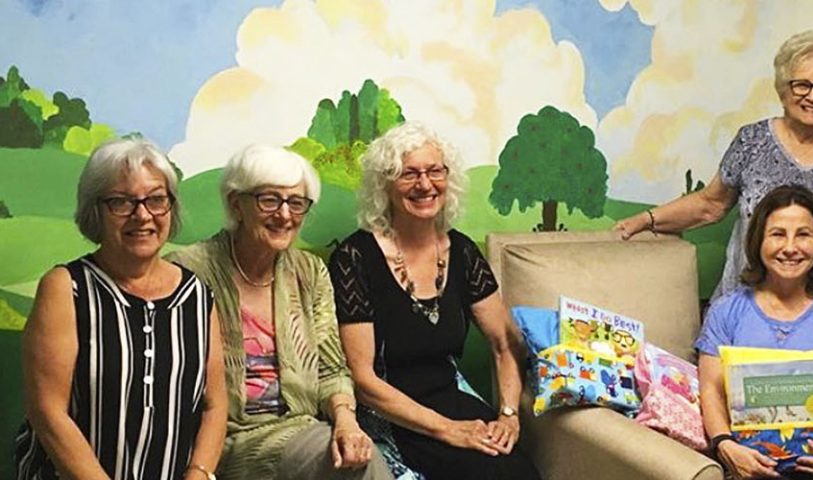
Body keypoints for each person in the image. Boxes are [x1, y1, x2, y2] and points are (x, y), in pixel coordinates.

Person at [329, 121, 541, 480]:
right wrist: (447, 430)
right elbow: (363, 381)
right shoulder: (354, 258)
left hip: (449, 394)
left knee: (515, 471)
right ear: (385, 186)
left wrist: (508, 415)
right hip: (389, 414)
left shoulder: (461, 251)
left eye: (434, 171)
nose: (425, 184)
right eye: (408, 174)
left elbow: (506, 343)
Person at [168, 144, 393, 479]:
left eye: (296, 203)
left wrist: (347, 423)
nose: (285, 215)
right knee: (358, 467)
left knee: (358, 452)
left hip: (300, 429)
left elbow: (332, 370)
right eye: (269, 200)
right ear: (236, 204)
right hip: (223, 437)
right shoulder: (188, 271)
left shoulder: (310, 272)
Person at [16, 138, 227, 479]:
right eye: (121, 202)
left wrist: (199, 473)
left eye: (156, 200)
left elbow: (215, 405)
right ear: (94, 210)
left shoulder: (197, 296)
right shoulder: (65, 289)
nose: (142, 214)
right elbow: (47, 411)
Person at [614, 30, 813, 299]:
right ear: (783, 90)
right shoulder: (752, 140)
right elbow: (710, 205)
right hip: (742, 307)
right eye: (802, 85)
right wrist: (645, 220)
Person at [696, 185, 813, 480]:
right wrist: (726, 446)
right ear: (758, 241)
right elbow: (711, 392)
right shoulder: (726, 313)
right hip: (750, 470)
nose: (791, 247)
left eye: (803, 234)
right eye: (778, 234)